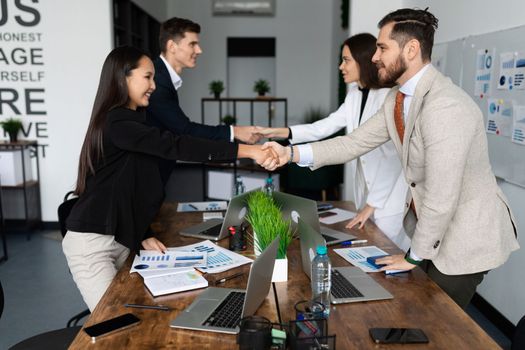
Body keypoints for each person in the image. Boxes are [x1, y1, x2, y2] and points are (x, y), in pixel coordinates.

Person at [262, 8, 519, 309]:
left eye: (382, 48)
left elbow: (441, 193)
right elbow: (353, 143)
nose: (374, 57)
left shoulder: (445, 107)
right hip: (436, 230)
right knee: (416, 309)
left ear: (411, 49)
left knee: (435, 319)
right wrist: (289, 153)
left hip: (468, 236)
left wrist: (412, 256)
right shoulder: (397, 99)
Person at [63, 46, 276, 311]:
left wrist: (144, 233)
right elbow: (178, 145)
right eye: (147, 77)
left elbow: (130, 186)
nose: (153, 85)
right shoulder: (117, 122)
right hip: (92, 246)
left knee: (137, 317)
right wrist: (248, 151)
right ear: (123, 78)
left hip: (119, 238)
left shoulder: (133, 120)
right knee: (112, 321)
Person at [256, 33, 410, 251]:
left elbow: (393, 156)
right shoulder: (355, 94)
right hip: (366, 196)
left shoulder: (388, 97)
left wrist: (372, 204)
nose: (341, 66)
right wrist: (280, 131)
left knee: (391, 260)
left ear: (364, 60)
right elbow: (324, 127)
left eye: (346, 60)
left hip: (387, 200)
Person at [147, 17, 262, 183]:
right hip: (147, 172)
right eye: (192, 44)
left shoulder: (162, 75)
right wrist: (235, 131)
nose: (199, 50)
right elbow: (184, 130)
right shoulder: (157, 79)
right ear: (172, 46)